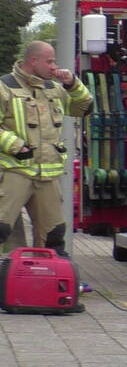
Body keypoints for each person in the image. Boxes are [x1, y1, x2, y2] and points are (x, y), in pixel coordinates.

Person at [0, 41, 92, 255]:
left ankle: (45, 284)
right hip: (14, 173)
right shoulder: (5, 87)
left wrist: (72, 84)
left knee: (53, 236)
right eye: (49, 61)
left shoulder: (53, 89)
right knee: (3, 229)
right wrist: (16, 145)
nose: (54, 66)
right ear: (33, 61)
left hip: (47, 178)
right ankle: (7, 280)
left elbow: (84, 108)